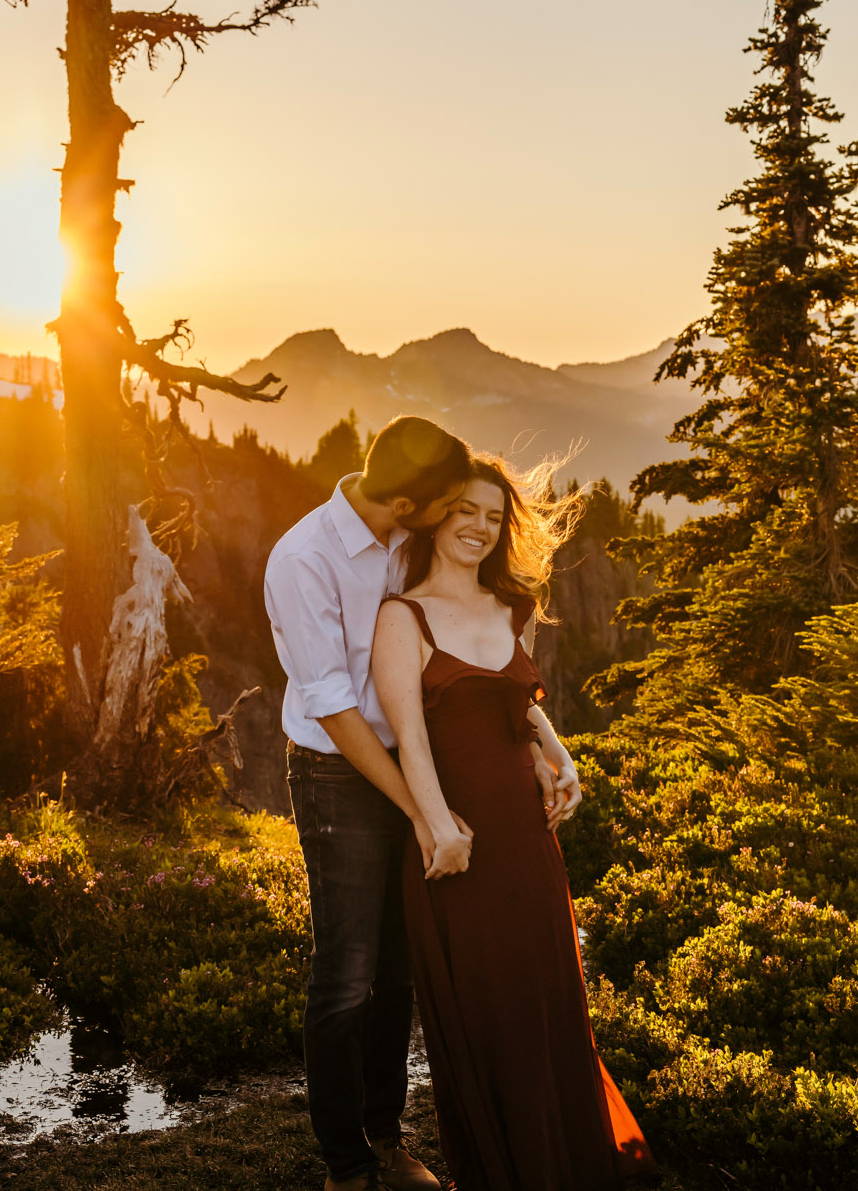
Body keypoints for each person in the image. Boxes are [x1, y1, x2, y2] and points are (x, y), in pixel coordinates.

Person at [372, 453, 659, 1191]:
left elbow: (518, 704)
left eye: (494, 517)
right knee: (487, 1015)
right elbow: (409, 736)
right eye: (465, 510)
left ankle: (566, 1162)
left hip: (528, 843)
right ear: (437, 514)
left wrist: (559, 754)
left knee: (547, 1001)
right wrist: (439, 829)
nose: (478, 527)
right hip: (456, 845)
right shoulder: (401, 616)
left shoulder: (514, 609)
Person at [265, 415, 470, 1191]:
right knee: (346, 972)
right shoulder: (305, 557)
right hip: (336, 774)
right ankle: (346, 1166)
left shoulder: (409, 538)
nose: (456, 515)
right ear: (412, 503)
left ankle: (387, 1138)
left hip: (410, 760)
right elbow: (335, 708)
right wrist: (420, 809)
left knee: (400, 968)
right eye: (447, 502)